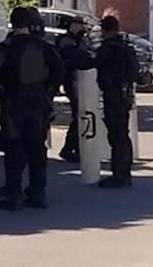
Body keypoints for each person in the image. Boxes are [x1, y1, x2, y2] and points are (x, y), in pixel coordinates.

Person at [0, 7, 64, 210]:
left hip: (13, 104)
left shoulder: (7, 47)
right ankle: (38, 193)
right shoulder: (44, 47)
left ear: (12, 24)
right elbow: (59, 70)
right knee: (37, 150)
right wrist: (48, 90)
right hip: (38, 103)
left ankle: (13, 195)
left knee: (14, 150)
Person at [93, 15, 138, 188]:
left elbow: (94, 62)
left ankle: (118, 174)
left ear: (105, 30)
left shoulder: (108, 48)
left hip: (113, 94)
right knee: (123, 134)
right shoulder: (126, 47)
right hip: (126, 94)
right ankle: (125, 172)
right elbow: (134, 73)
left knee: (116, 135)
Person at [57, 15, 92, 163]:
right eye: (79, 25)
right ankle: (70, 148)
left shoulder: (80, 40)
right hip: (72, 81)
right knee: (79, 114)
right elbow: (72, 55)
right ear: (72, 26)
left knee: (80, 114)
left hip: (82, 80)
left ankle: (74, 147)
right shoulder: (66, 40)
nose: (82, 28)